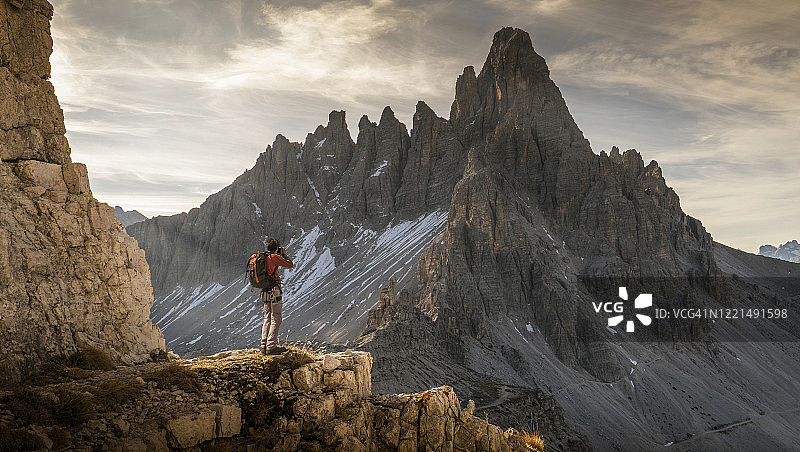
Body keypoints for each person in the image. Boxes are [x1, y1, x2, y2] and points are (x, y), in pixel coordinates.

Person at [261, 238, 293, 355]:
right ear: (276, 247)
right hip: (274, 292)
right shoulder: (273, 257)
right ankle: (271, 346)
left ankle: (264, 345)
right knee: (276, 318)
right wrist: (284, 255)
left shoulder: (263, 257)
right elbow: (290, 264)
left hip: (264, 292)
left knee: (267, 317)